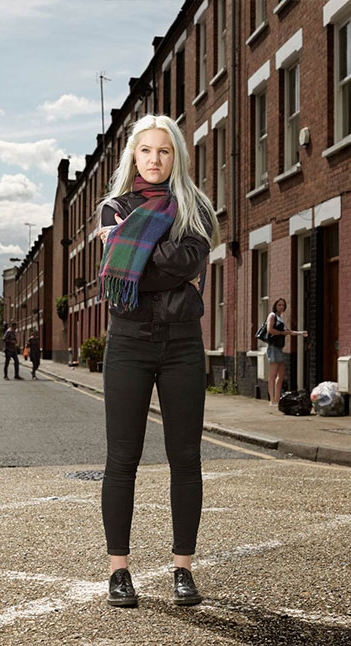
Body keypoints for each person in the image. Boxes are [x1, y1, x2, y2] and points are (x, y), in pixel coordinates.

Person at [95, 114, 220, 608]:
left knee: (185, 459)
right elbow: (135, 275)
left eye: (164, 152)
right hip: (127, 343)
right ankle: (119, 572)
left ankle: (182, 569)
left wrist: (141, 255)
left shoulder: (196, 206)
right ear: (133, 156)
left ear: (177, 157)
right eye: (145, 151)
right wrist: (167, 263)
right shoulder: (112, 208)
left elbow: (190, 260)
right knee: (121, 459)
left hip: (183, 344)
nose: (154, 160)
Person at [265, 298, 307, 406]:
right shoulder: (272, 316)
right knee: (273, 375)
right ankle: (272, 400)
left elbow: (288, 332)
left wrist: (300, 333)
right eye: (279, 305)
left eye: (283, 305)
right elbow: (270, 330)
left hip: (279, 348)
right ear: (275, 306)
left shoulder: (281, 318)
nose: (281, 307)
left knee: (281, 375)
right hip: (273, 347)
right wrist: (281, 333)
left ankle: (277, 399)